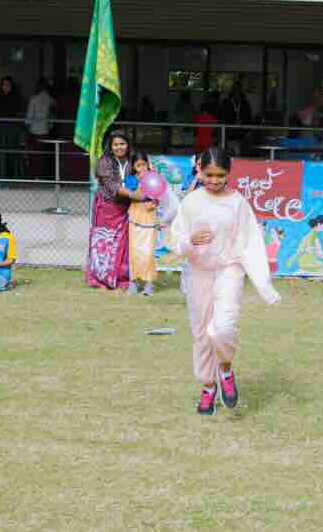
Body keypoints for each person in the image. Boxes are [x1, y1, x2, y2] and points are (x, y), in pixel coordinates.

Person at [168, 147, 279, 415]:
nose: (215, 180)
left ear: (229, 173)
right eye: (209, 175)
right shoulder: (191, 202)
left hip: (229, 270)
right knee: (201, 334)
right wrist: (189, 241)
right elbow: (174, 239)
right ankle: (208, 387)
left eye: (220, 175)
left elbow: (251, 243)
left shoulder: (238, 203)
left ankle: (225, 369)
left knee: (223, 328)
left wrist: (264, 285)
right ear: (200, 172)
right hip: (198, 273)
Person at [84, 130, 135, 290]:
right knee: (104, 244)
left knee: (122, 244)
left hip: (126, 209)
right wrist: (135, 195)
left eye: (122, 144)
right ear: (110, 146)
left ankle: (120, 279)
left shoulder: (133, 160)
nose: (119, 147)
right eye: (115, 144)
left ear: (128, 145)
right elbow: (112, 186)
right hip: (106, 208)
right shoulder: (104, 162)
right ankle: (100, 280)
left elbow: (144, 175)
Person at [127, 154, 160, 296]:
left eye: (144, 165)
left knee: (148, 253)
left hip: (150, 218)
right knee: (134, 252)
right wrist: (142, 181)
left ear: (148, 165)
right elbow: (134, 194)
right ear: (134, 167)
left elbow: (158, 194)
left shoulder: (154, 178)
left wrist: (154, 176)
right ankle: (133, 282)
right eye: (138, 165)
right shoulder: (130, 179)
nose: (141, 168)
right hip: (135, 218)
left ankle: (149, 284)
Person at [0, 75, 23, 179]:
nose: (6, 87)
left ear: (11, 86)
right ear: (1, 86)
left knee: (11, 153)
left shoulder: (16, 97)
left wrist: (0, 113)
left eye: (8, 85)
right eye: (4, 85)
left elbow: (15, 111)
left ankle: (12, 175)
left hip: (12, 128)